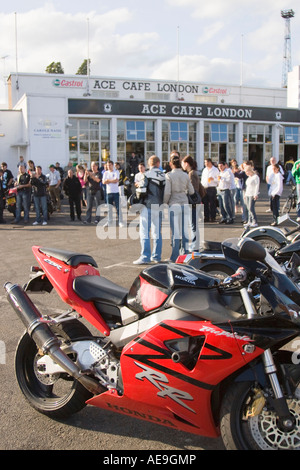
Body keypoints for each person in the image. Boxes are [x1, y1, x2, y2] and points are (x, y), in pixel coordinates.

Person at [133, 155, 166, 265]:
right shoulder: (164, 175)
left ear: (149, 164)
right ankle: (156, 256)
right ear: (158, 163)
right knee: (157, 232)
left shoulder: (146, 174)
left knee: (144, 232)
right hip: (160, 205)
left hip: (148, 205)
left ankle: (145, 256)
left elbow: (141, 190)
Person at [163, 154, 194, 262]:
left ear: (171, 164)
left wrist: (165, 202)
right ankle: (185, 254)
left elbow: (167, 192)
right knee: (184, 230)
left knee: (175, 232)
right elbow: (192, 191)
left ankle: (174, 256)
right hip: (184, 202)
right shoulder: (185, 175)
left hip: (174, 203)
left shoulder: (169, 175)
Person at [181, 155, 205, 251]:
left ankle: (195, 245)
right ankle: (195, 244)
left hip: (193, 203)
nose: (182, 165)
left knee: (193, 224)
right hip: (194, 202)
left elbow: (193, 190)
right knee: (193, 224)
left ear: (186, 164)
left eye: (183, 163)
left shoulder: (191, 174)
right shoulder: (193, 173)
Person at [102, 161, 124, 227]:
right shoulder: (105, 173)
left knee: (118, 207)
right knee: (109, 208)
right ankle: (109, 221)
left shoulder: (116, 172)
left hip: (116, 192)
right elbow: (103, 182)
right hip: (109, 192)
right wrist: (110, 181)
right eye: (108, 165)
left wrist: (108, 181)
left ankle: (120, 221)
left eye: (110, 165)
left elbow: (116, 180)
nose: (109, 166)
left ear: (112, 165)